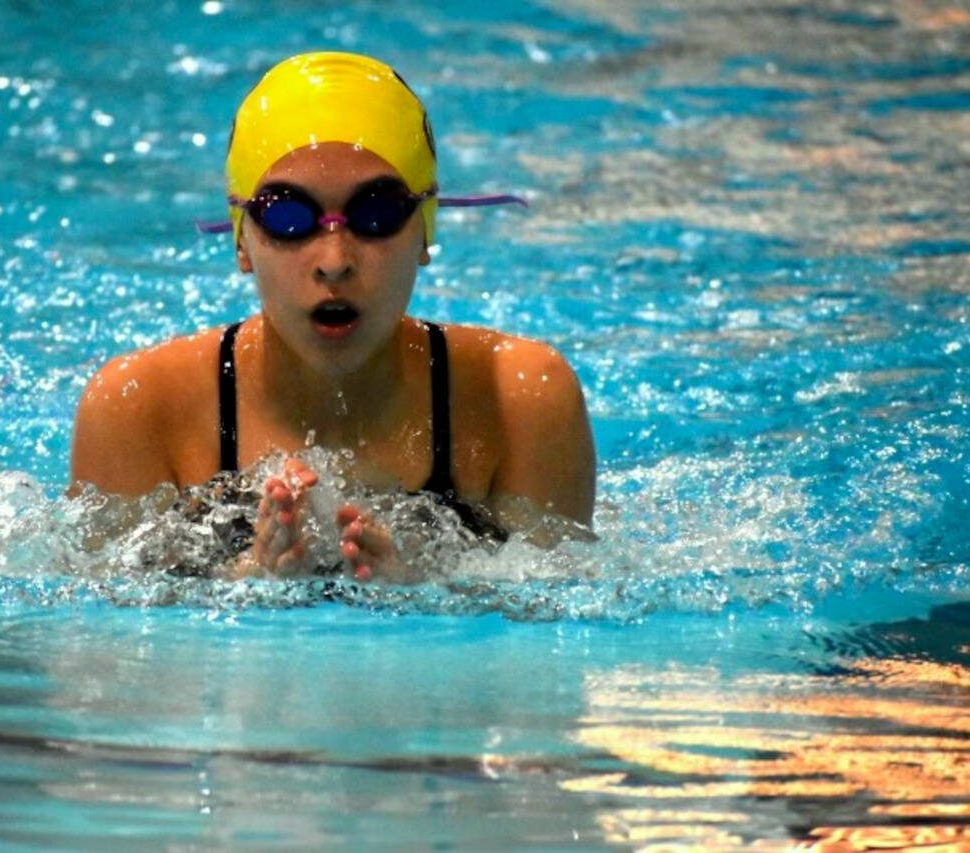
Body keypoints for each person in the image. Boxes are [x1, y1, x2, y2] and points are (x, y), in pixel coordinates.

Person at [69, 51, 596, 582]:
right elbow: (97, 644)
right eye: (288, 216)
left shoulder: (518, 400)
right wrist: (244, 582)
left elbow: (557, 636)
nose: (335, 261)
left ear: (425, 231)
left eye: (378, 213)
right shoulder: (139, 408)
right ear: (242, 240)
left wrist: (431, 593)